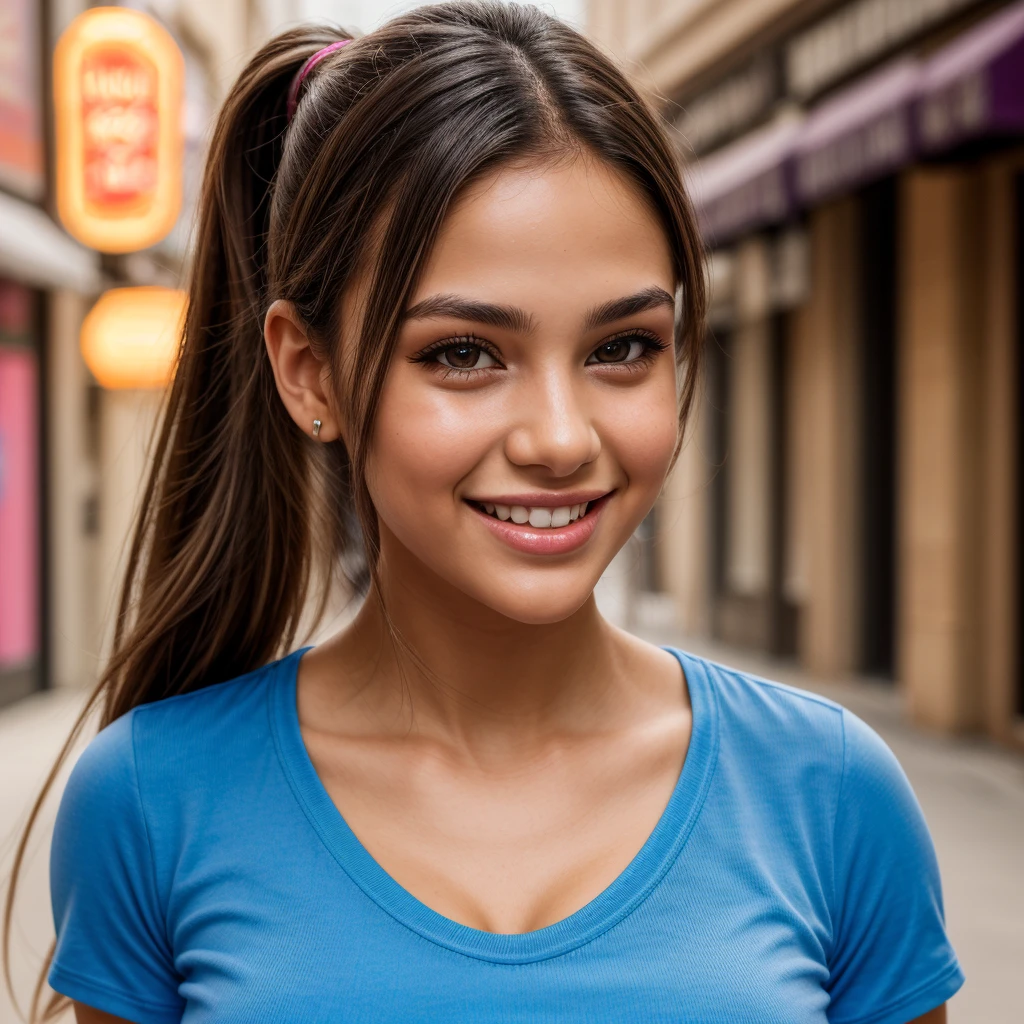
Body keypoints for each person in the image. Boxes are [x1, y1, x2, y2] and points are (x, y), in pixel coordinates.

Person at [4, 3, 963, 1022]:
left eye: (621, 346)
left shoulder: (831, 795)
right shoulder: (150, 804)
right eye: (462, 352)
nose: (560, 437)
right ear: (309, 371)